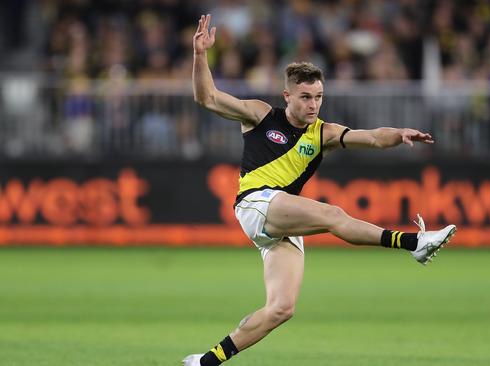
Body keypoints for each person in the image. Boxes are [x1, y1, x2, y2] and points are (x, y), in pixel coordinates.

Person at [183, 14, 457, 366]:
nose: (313, 104)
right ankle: (412, 243)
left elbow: (371, 137)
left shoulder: (324, 133)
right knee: (332, 214)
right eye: (306, 97)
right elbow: (206, 98)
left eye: (319, 97)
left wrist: (399, 134)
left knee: (281, 308)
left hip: (281, 221)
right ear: (288, 96)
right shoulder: (261, 115)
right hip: (255, 205)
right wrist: (200, 55)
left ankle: (204, 362)